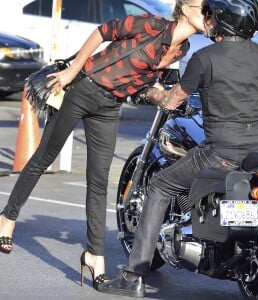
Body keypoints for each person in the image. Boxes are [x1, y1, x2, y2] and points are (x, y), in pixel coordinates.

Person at [0, 0, 212, 291]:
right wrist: (71, 72)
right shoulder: (151, 25)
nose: (208, 14)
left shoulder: (182, 49)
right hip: (83, 88)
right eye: (204, 8)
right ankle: (8, 218)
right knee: (43, 158)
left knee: (98, 182)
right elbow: (103, 32)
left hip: (110, 107)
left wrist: (163, 96)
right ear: (186, 9)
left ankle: (93, 255)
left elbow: (143, 81)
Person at [96, 0, 258, 298]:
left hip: (221, 152)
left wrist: (157, 95)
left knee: (160, 185)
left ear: (223, 22)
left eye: (211, 15)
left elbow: (176, 98)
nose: (208, 20)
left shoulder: (204, 58)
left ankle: (132, 275)